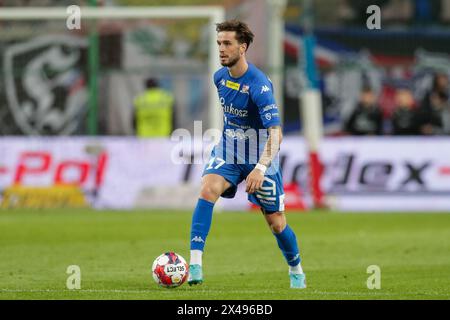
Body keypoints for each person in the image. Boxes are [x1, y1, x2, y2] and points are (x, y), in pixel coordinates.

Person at [187, 20, 306, 289]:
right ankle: (195, 263)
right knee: (208, 190)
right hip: (229, 150)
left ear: (243, 47)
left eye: (227, 43)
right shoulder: (219, 77)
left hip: (260, 159)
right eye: (219, 43)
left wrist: (260, 168)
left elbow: (276, 134)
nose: (221, 49)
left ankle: (296, 269)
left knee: (276, 223)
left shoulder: (260, 86)